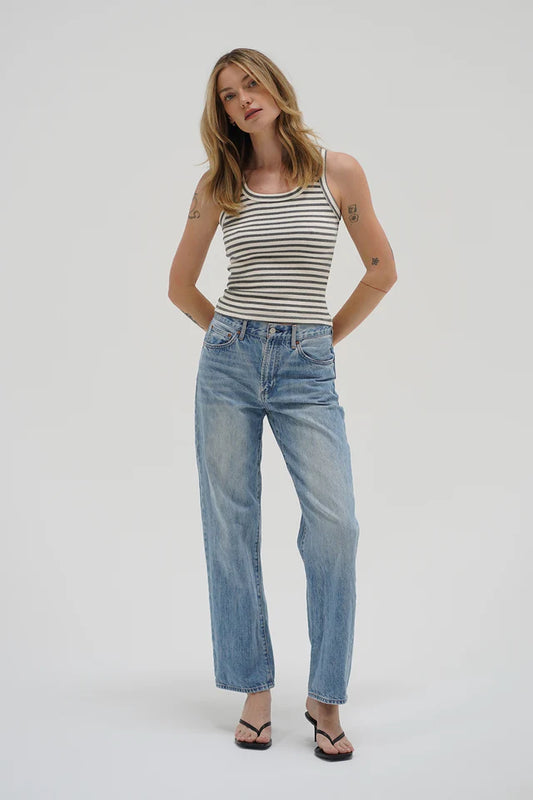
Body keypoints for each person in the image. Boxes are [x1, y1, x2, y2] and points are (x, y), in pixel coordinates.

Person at [168, 47, 397, 761]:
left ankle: (324, 696)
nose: (243, 100)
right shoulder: (220, 184)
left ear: (274, 86)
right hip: (228, 365)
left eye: (250, 84)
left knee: (337, 527)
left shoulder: (337, 172)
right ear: (223, 115)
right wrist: (233, 339)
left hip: (306, 367)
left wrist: (318, 339)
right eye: (228, 96)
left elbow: (381, 271)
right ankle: (253, 689)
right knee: (230, 525)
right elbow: (179, 286)